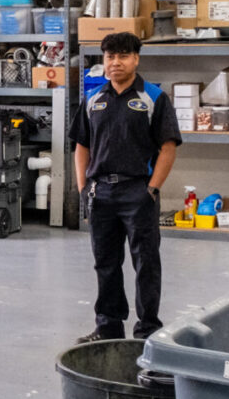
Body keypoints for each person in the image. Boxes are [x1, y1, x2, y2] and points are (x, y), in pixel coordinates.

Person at [71, 31, 182, 343]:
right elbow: (81, 145)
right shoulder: (93, 100)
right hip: (101, 192)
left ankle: (147, 329)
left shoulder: (153, 98)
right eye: (109, 56)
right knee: (105, 263)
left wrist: (153, 189)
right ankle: (108, 327)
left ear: (136, 59)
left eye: (122, 56)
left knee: (146, 262)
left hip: (138, 193)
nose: (115, 62)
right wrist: (83, 188)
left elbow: (168, 147)